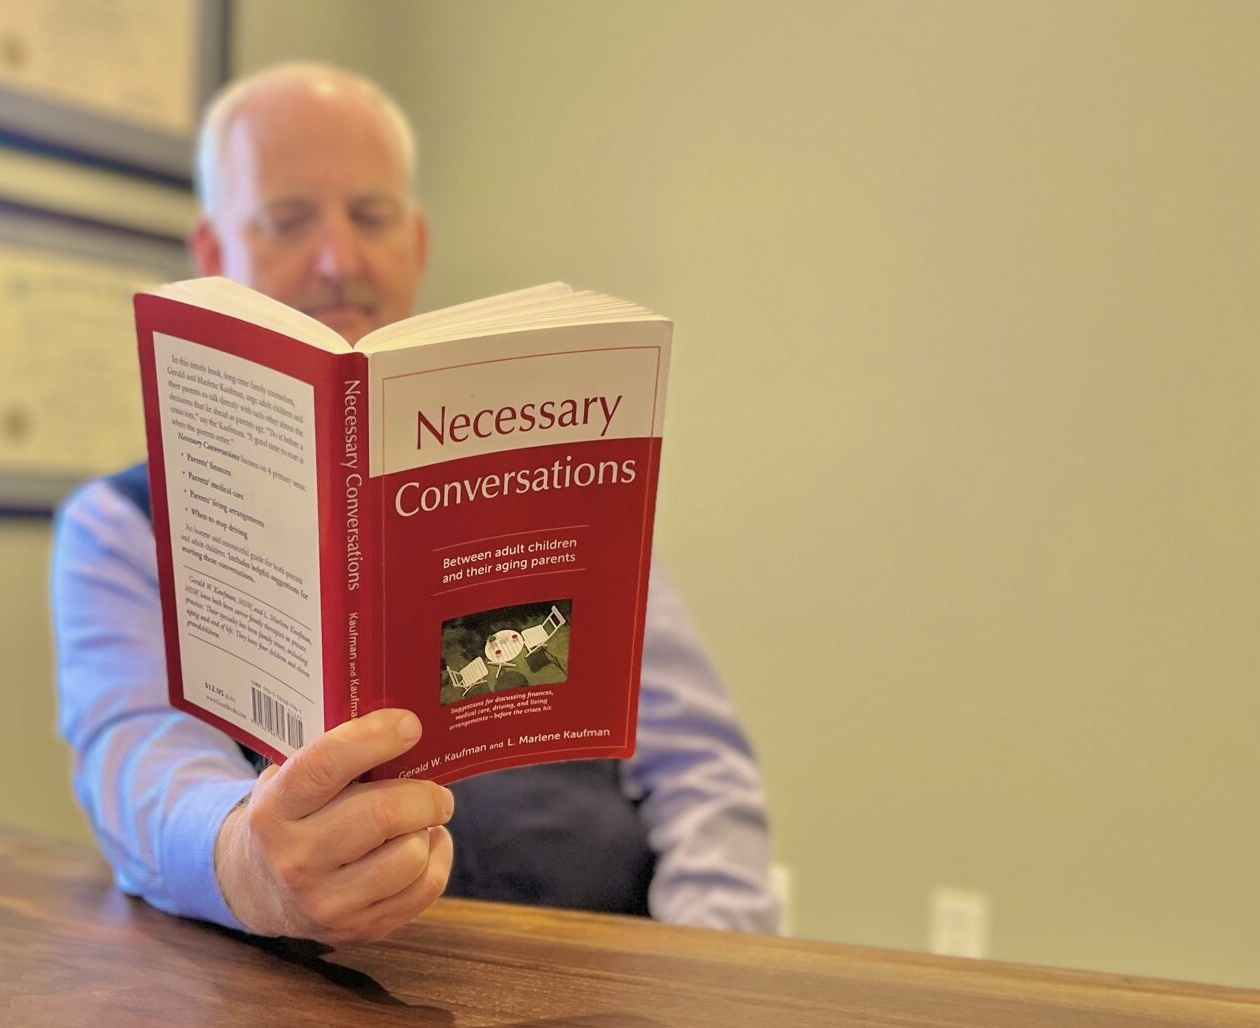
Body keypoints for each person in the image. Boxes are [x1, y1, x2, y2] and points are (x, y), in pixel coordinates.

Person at [53, 62, 778, 943]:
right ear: (213, 256)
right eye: (287, 220)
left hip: (605, 964)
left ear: (418, 242)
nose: (339, 260)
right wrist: (242, 859)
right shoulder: (122, 526)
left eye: (371, 217)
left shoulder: (552, 474)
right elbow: (137, 765)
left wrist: (711, 963)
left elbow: (701, 768)